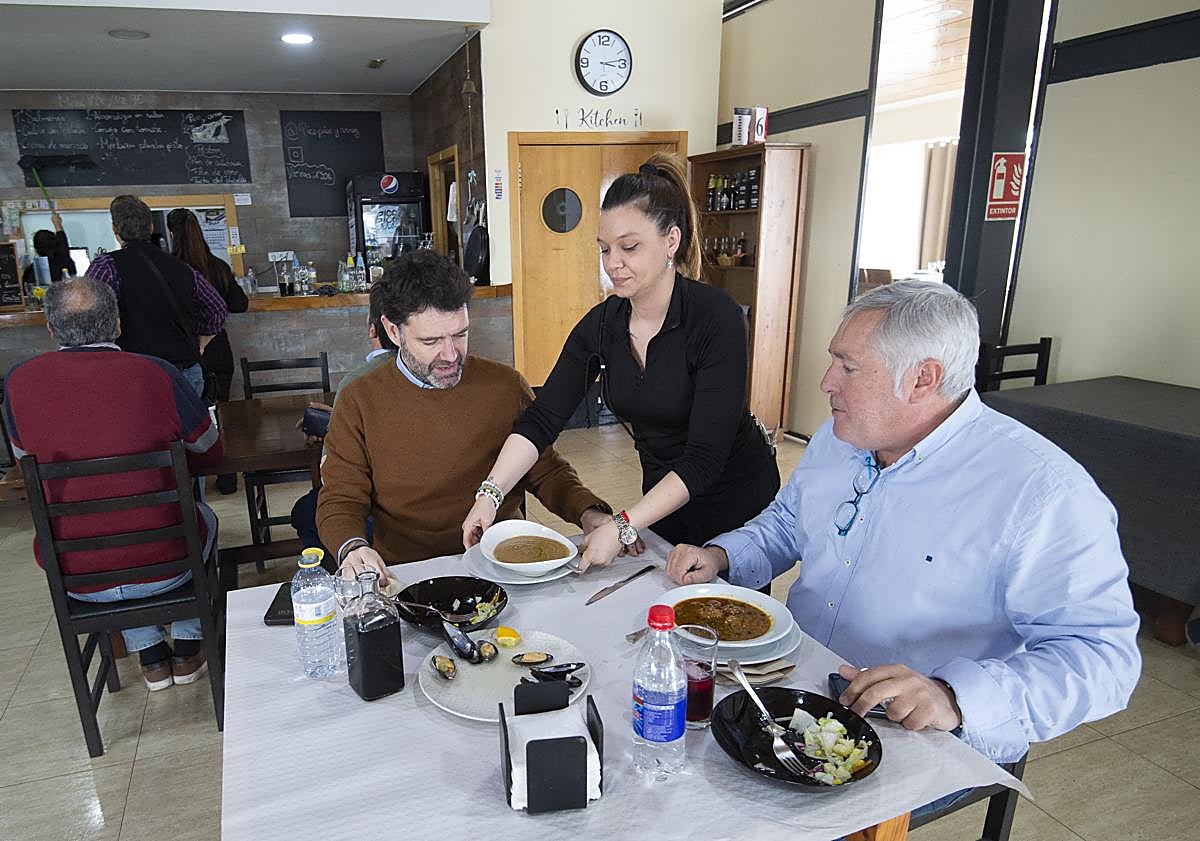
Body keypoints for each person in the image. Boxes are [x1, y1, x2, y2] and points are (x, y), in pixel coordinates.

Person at [665, 281, 1141, 770]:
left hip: (916, 732)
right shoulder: (841, 435)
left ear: (922, 378)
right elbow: (790, 521)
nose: (826, 382)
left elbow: (1103, 659)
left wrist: (953, 696)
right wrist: (724, 556)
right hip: (793, 684)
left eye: (847, 367)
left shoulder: (1043, 492)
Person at [461, 152, 779, 570]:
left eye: (629, 247)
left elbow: (704, 458)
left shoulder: (714, 318)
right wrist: (490, 495)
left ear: (671, 241)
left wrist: (624, 525)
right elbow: (541, 420)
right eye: (605, 249)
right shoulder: (604, 325)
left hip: (734, 501)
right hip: (663, 500)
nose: (613, 263)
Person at [319, 249, 613, 581]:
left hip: (501, 564)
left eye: (460, 335)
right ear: (392, 330)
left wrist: (589, 513)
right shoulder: (360, 398)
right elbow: (341, 497)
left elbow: (545, 471)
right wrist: (353, 547)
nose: (450, 355)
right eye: (431, 341)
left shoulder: (504, 385)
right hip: (408, 571)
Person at [4, 278, 224, 691]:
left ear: (51, 330)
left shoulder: (18, 383)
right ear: (118, 325)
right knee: (203, 520)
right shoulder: (155, 372)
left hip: (75, 574)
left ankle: (150, 655)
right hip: (169, 566)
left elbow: (24, 463)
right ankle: (188, 647)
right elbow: (210, 451)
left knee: (108, 532)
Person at [290, 288, 399, 558]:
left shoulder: (358, 383)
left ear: (374, 329)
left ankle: (343, 576)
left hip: (378, 510)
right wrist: (337, 422)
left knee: (305, 511)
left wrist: (332, 431)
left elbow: (331, 475)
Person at [85, 195, 228, 398]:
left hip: (137, 373)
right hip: (186, 372)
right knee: (187, 429)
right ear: (150, 227)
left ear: (115, 230)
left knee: (143, 429)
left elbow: (85, 317)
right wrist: (201, 343)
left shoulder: (107, 267)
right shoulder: (182, 268)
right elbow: (217, 309)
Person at [167, 208, 249, 493]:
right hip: (219, 349)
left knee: (191, 420)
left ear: (170, 234)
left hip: (188, 352)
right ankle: (227, 479)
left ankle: (196, 482)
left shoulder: (170, 269)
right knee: (222, 414)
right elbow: (240, 304)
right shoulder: (217, 266)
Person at [22, 211, 76, 287]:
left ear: (36, 249)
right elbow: (63, 244)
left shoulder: (34, 270)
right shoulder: (66, 262)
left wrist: (57, 224)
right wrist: (57, 224)